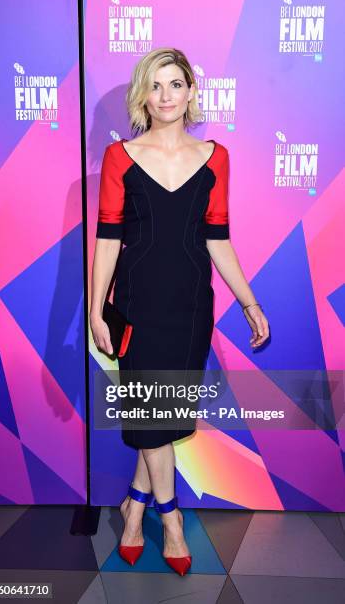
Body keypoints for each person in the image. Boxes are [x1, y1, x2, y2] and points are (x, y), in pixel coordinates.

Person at [90, 47, 270, 576]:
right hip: (138, 308)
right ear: (142, 94)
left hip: (192, 308)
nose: (165, 96)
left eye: (175, 84)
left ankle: (133, 507)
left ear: (191, 91)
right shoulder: (120, 158)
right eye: (156, 85)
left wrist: (249, 301)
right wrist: (98, 309)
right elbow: (106, 241)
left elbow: (218, 239)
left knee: (163, 420)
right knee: (152, 419)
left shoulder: (216, 157)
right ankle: (169, 521)